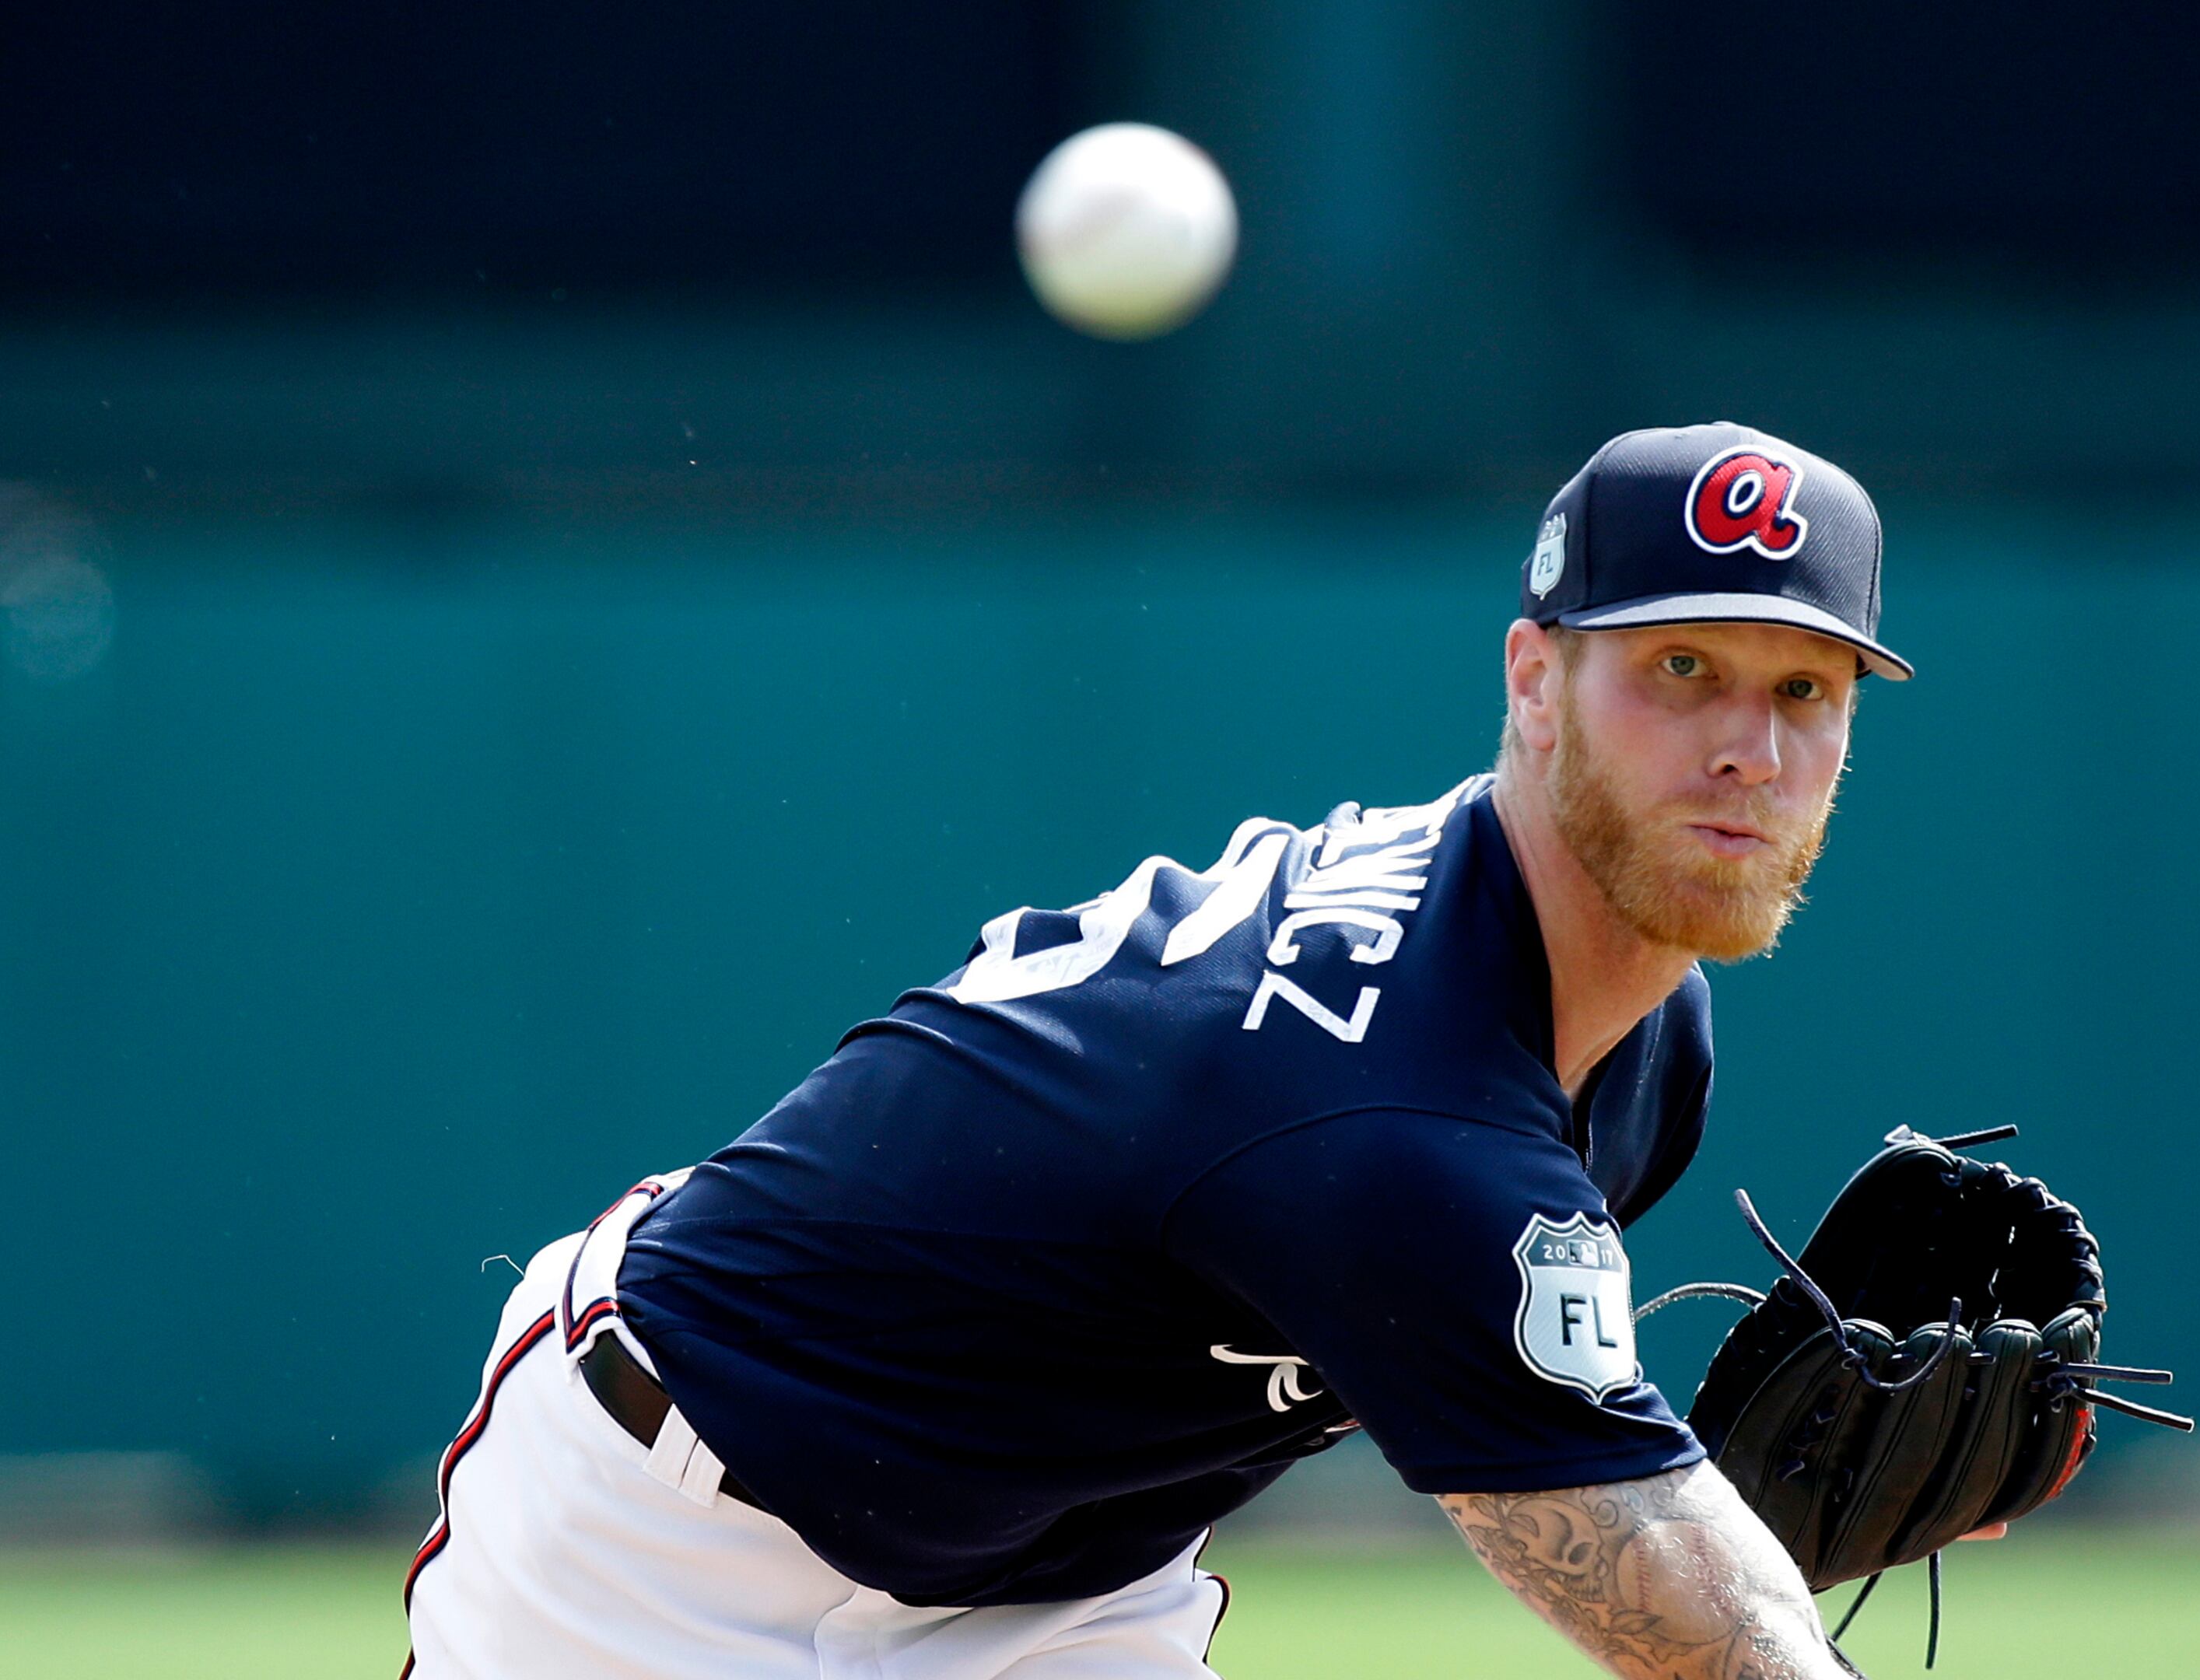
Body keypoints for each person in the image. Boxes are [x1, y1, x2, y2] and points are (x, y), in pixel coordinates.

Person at [403, 422, 1918, 1680]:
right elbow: (1705, 1642)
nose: (1750, 751)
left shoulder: (1640, 1045)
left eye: (1804, 691)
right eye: (1680, 672)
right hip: (666, 1547)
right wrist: (1721, 1572)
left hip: (1060, 1595)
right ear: (1534, 680)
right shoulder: (1393, 1112)